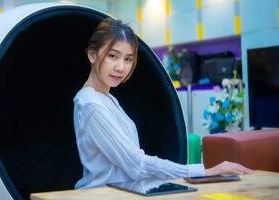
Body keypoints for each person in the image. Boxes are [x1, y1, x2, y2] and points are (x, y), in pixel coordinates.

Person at [73, 17, 252, 189]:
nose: (121, 67)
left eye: (128, 59)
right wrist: (204, 171)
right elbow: (137, 165)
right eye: (113, 56)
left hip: (123, 192)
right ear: (92, 54)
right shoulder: (91, 104)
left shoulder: (107, 99)